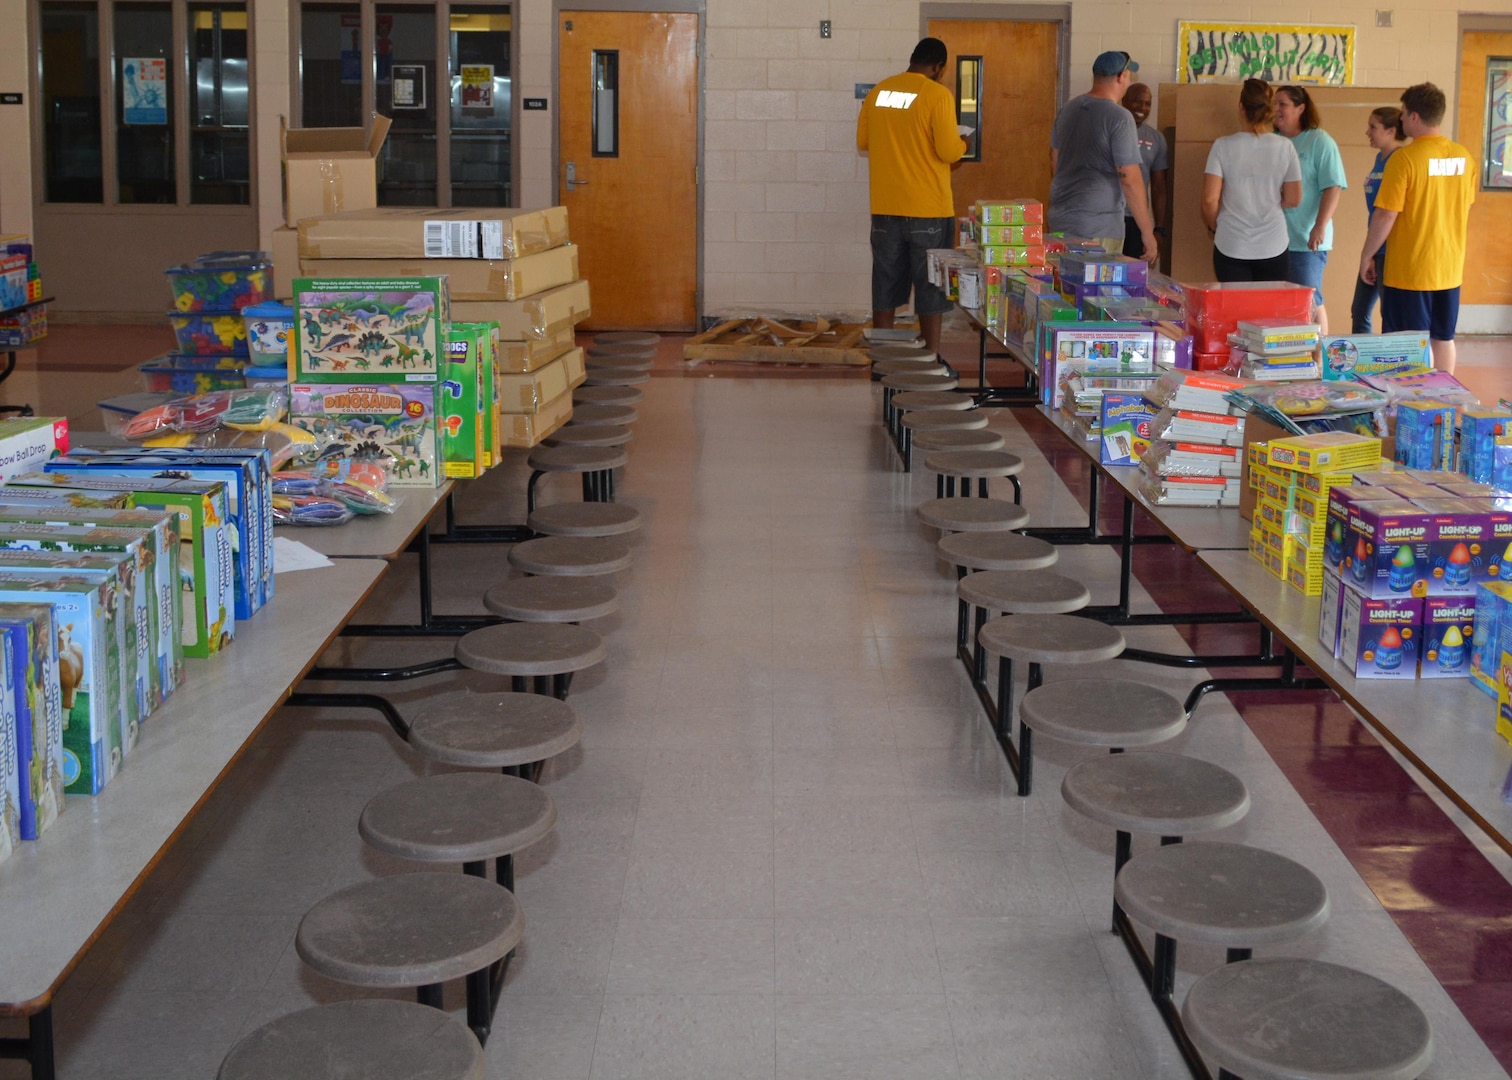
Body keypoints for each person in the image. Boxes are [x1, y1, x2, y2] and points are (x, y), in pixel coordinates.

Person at [856, 37, 967, 356]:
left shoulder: (880, 92)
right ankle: (930, 354)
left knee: (886, 280)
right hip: (929, 208)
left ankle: (882, 357)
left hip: (885, 208)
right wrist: (964, 145)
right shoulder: (937, 95)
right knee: (932, 282)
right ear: (938, 67)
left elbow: (864, 141)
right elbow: (948, 151)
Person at [1360, 83, 1476, 372]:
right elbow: (1465, 205)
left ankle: (1410, 408)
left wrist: (1367, 255)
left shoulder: (1405, 159)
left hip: (1410, 271)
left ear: (1414, 117)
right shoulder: (1464, 157)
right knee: (1443, 338)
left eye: (1402, 114)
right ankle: (1443, 401)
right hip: (1448, 269)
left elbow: (1386, 215)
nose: (1399, 120)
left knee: (1408, 343)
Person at [1047, 51, 1159, 264]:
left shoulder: (1068, 110)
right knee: (1096, 295)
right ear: (1120, 77)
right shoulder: (1119, 117)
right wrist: (1147, 231)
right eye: (1128, 75)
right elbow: (1129, 178)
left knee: (1065, 290)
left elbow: (1055, 160)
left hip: (1061, 220)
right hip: (1098, 226)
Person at [1201, 79, 1302, 282]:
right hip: (1273, 244)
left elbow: (1210, 200)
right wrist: (1268, 201)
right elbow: (1294, 199)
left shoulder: (1222, 146)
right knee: (1268, 312)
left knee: (1235, 311)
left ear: (1241, 108)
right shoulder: (1286, 147)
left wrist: (1214, 227)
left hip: (1232, 244)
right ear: (1270, 109)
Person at [1275, 85, 1348, 334]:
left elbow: (1333, 187)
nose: (1276, 110)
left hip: (1306, 241)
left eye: (1282, 104)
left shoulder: (1319, 141)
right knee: (1283, 305)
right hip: (1275, 240)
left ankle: (1319, 359)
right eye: (1274, 104)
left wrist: (1320, 226)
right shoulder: (1272, 141)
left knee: (1311, 302)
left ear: (1301, 108)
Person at [1350, 107, 1409, 333]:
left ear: (1391, 131)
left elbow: (1389, 212)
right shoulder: (1379, 158)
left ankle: (1390, 363)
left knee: (1389, 313)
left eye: (1373, 127)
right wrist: (1370, 253)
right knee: (1360, 309)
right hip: (1375, 247)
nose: (1368, 132)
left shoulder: (1400, 159)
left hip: (1392, 250)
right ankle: (1363, 364)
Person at [1120, 82, 1168, 260]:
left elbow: (1159, 188)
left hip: (1137, 219)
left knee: (1133, 278)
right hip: (1110, 218)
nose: (1142, 108)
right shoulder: (1111, 130)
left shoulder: (1156, 139)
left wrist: (1159, 229)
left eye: (1147, 103)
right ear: (1124, 101)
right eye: (1137, 102)